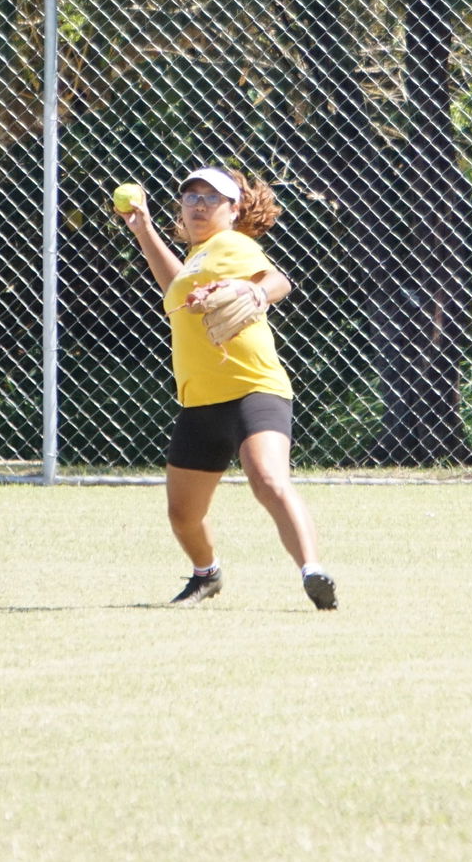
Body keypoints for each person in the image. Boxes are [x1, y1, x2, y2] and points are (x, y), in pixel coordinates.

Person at [115, 165, 337, 611]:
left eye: (211, 198)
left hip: (253, 389)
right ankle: (206, 575)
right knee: (183, 515)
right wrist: (143, 231)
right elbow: (175, 288)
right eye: (191, 197)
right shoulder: (199, 258)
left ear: (234, 210)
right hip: (199, 401)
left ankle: (312, 570)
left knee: (269, 478)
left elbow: (277, 280)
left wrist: (255, 293)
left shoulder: (233, 244)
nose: (198, 205)